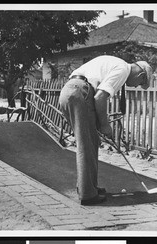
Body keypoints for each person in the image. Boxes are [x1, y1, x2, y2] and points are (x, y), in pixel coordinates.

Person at [59, 55, 152, 205]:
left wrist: (100, 123)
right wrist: (104, 125)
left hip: (69, 90)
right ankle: (88, 194)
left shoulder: (116, 63)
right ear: (141, 75)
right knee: (86, 144)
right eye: (139, 83)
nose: (135, 86)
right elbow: (99, 97)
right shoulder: (123, 69)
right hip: (80, 92)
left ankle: (89, 187)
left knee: (90, 141)